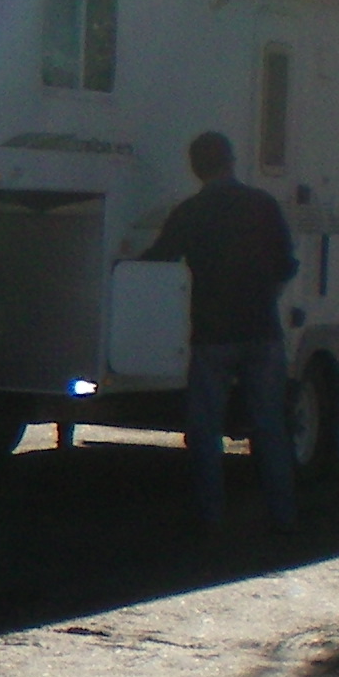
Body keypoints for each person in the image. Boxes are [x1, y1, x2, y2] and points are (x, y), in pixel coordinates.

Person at [140, 130, 300, 533]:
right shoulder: (262, 205)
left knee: (205, 428)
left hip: (212, 334)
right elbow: (287, 264)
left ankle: (210, 515)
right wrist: (266, 295)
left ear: (196, 168)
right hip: (262, 329)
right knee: (269, 426)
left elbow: (159, 257)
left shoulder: (191, 211)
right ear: (231, 161)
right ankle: (282, 514)